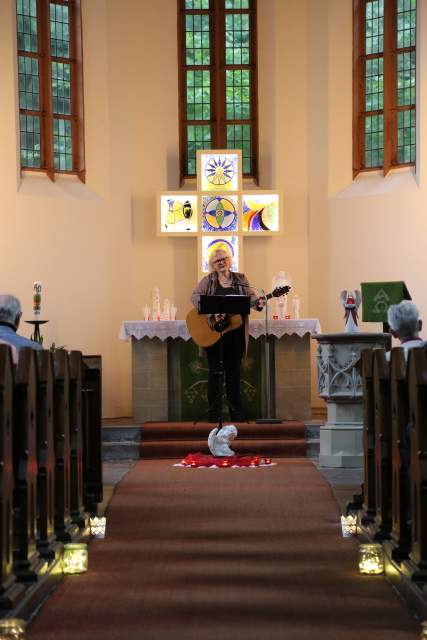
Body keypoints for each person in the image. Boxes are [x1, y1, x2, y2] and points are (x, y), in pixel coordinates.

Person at [191, 249, 265, 422]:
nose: (221, 262)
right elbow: (194, 297)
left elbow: (252, 299)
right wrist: (212, 313)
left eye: (224, 259)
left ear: (230, 260)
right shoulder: (208, 281)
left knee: (234, 374)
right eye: (217, 261)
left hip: (235, 335)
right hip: (214, 334)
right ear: (212, 265)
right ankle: (213, 415)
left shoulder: (241, 279)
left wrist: (259, 303)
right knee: (215, 374)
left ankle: (236, 415)